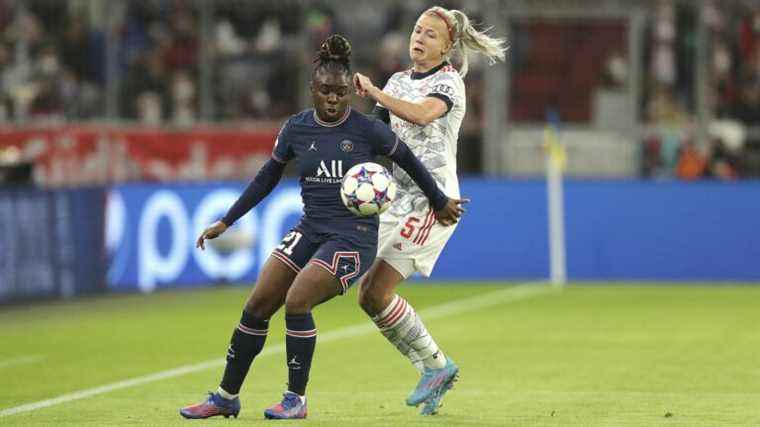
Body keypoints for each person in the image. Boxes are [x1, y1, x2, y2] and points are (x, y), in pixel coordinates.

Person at [179, 34, 465, 420]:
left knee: (298, 301)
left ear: (350, 92)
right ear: (312, 89)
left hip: (353, 237)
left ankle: (295, 399)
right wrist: (226, 220)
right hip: (310, 229)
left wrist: (438, 200)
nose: (333, 99)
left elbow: (411, 160)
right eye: (326, 91)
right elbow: (266, 178)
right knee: (258, 304)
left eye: (341, 92)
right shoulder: (296, 129)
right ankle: (226, 396)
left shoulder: (367, 130)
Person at [353, 6, 507, 415]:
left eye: (431, 34)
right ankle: (437, 368)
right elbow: (374, 135)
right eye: (417, 30)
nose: (419, 38)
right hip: (395, 200)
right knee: (367, 295)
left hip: (433, 202)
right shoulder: (397, 81)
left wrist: (374, 92)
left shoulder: (449, 83)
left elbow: (421, 115)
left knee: (379, 289)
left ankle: (435, 368)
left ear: (447, 46)